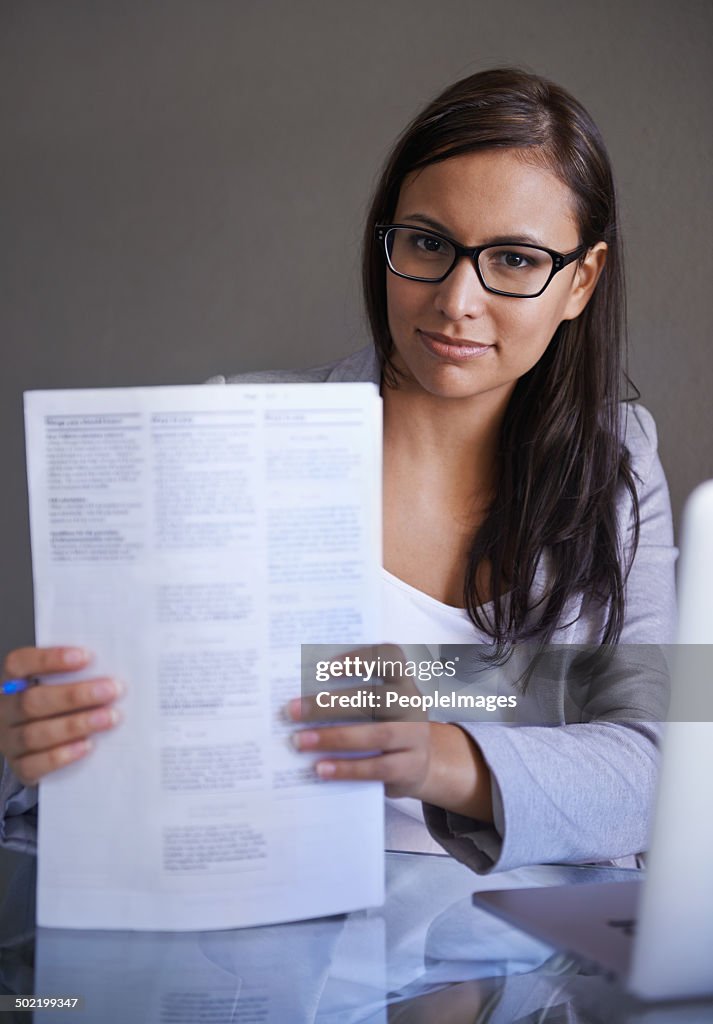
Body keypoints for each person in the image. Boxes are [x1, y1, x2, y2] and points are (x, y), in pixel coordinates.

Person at [0, 68, 676, 872]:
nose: (458, 299)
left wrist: (432, 755)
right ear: (383, 240)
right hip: (261, 923)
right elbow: (105, 748)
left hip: (521, 957)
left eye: (515, 260)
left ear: (580, 282)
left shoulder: (617, 460)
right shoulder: (234, 427)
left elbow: (660, 766)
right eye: (427, 243)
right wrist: (30, 748)